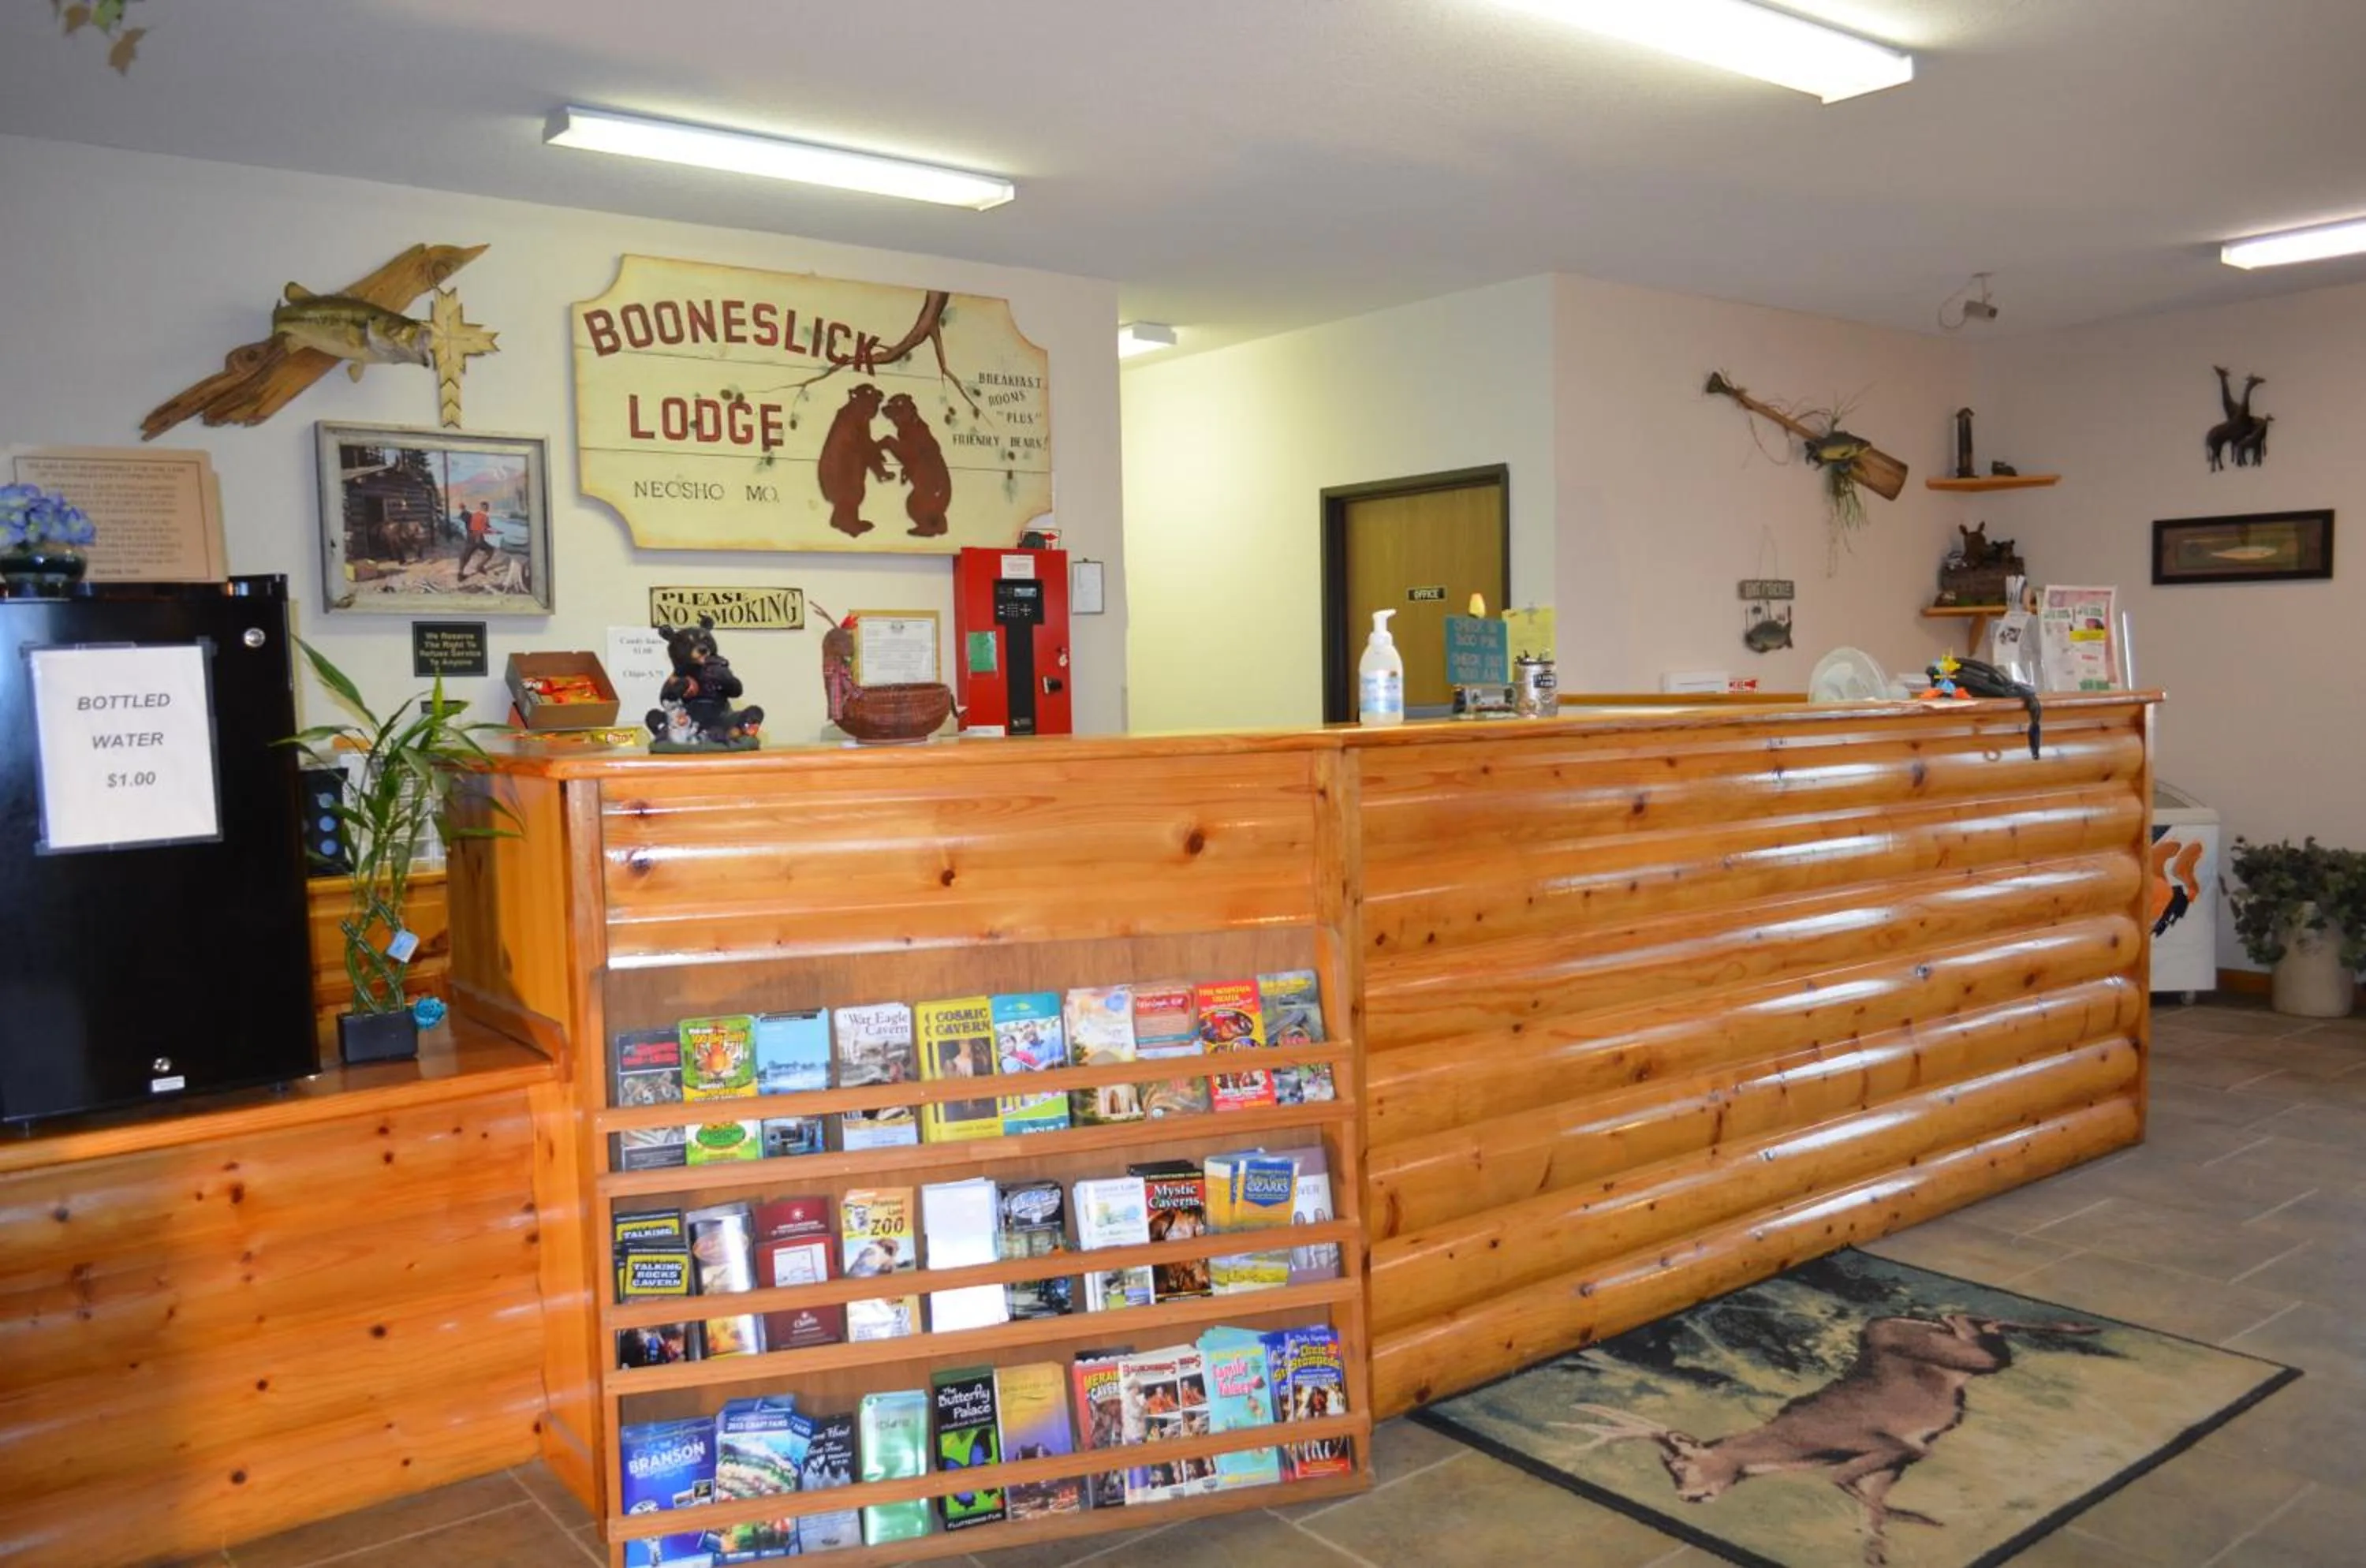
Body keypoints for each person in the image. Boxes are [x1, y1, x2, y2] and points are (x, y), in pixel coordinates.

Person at [457, 502, 498, 579]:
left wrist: (463, 510)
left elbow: (465, 517)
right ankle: (479, 566)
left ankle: (462, 573)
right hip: (477, 540)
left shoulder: (474, 515)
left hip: (472, 539)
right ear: (487, 509)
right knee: (490, 551)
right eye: (486, 508)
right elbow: (486, 529)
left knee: (466, 555)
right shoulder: (482, 517)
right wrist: (495, 532)